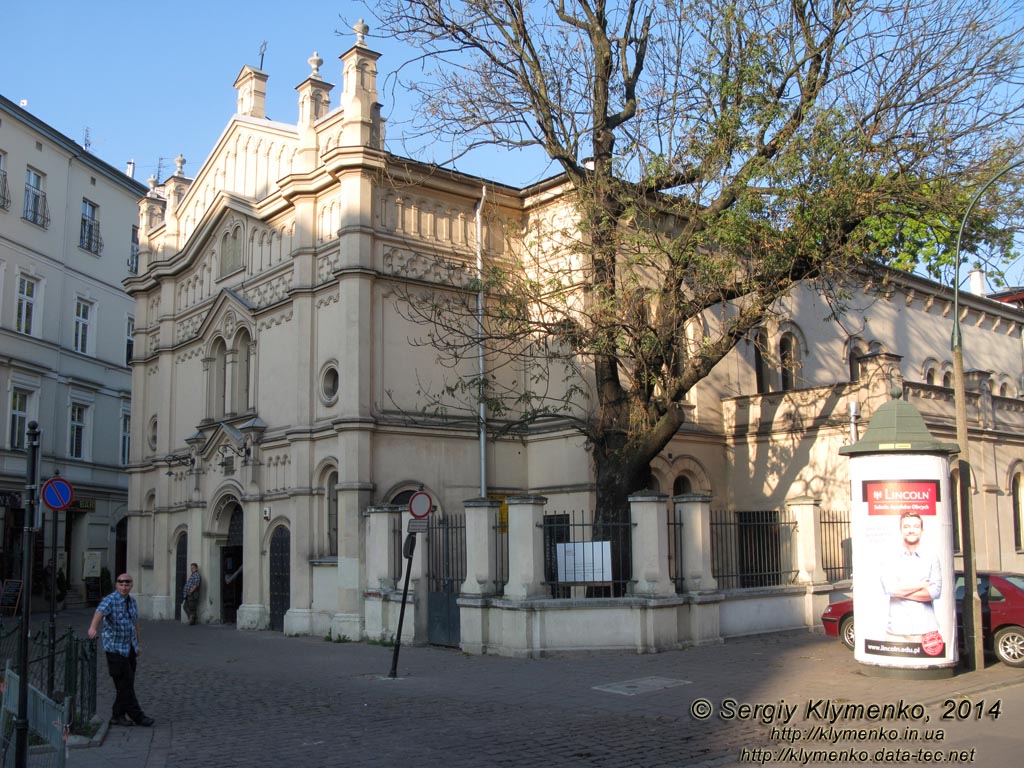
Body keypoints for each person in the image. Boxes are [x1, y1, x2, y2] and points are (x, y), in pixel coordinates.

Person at [87, 573, 155, 727]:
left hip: (129, 648)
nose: (124, 587)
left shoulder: (132, 601)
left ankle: (117, 715)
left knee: (126, 684)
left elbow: (134, 623)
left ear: (131, 585)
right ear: (117, 585)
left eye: (127, 584)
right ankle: (138, 716)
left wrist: (138, 644)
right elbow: (99, 612)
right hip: (115, 649)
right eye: (121, 584)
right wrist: (92, 628)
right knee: (125, 683)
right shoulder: (111, 599)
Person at [879, 511, 942, 641]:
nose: (911, 531)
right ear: (901, 530)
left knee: (927, 662)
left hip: (925, 631)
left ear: (922, 530)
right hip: (896, 631)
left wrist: (900, 591)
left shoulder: (931, 557)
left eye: (915, 526)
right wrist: (921, 585)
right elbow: (889, 589)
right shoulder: (890, 557)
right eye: (907, 527)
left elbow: (934, 592)